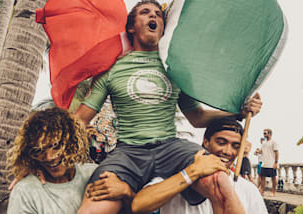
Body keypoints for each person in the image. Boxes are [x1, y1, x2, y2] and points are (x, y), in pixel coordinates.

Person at [75, 1, 262, 213]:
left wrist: (240, 112)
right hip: (128, 152)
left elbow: (197, 117)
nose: (153, 17)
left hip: (171, 148)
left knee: (221, 184)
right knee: (92, 207)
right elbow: (79, 120)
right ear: (131, 27)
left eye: (158, 14)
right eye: (145, 13)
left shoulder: (175, 68)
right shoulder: (111, 70)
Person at [87, 117, 267, 214]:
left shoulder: (248, 190)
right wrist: (192, 172)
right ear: (205, 142)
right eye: (221, 142)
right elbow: (139, 205)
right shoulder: (175, 176)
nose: (228, 151)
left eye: (236, 146)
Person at [6, 108, 97, 213]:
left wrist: (121, 190)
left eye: (56, 146)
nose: (49, 157)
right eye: (39, 150)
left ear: (70, 142)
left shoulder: (93, 174)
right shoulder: (25, 191)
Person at [259, 128, 279, 197]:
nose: (264, 134)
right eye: (263, 133)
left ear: (269, 134)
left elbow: (276, 152)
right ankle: (262, 191)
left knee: (273, 177)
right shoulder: (264, 142)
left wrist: (276, 162)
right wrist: (257, 152)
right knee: (262, 177)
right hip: (264, 163)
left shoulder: (273, 142)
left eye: (265, 133)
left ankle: (273, 192)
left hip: (272, 163)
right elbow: (261, 151)